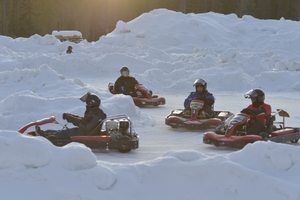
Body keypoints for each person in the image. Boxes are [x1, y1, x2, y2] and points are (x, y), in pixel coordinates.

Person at [37, 92, 107, 139]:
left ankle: (44, 137)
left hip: (85, 134)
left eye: (87, 102)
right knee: (61, 132)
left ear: (91, 103)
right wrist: (70, 116)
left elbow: (84, 126)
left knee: (63, 134)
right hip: (84, 132)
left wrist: (71, 119)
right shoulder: (95, 112)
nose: (86, 104)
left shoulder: (95, 114)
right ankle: (43, 133)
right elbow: (84, 121)